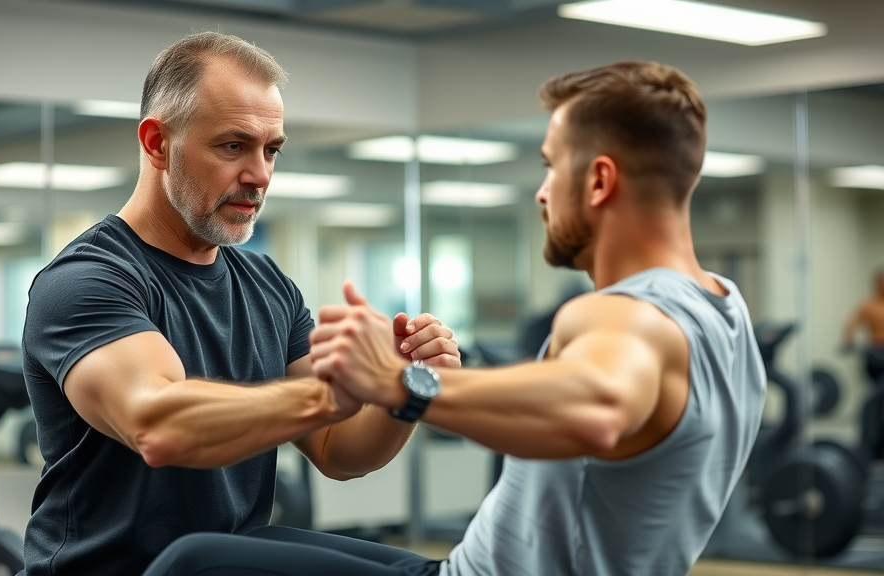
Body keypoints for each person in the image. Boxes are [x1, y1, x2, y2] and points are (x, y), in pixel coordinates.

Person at [152, 61, 767, 576]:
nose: (543, 192)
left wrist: (402, 384)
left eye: (553, 165)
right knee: (257, 545)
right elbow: (341, 456)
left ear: (600, 181)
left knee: (192, 563)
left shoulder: (620, 317)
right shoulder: (726, 311)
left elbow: (601, 406)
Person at [20, 32, 460, 576]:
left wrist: (407, 388)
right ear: (158, 143)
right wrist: (334, 393)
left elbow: (337, 452)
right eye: (233, 146)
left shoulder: (266, 284)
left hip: (225, 561)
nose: (260, 175)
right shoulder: (88, 280)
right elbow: (157, 422)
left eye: (271, 149)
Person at [842, 270, 884, 383]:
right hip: (875, 353)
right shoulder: (868, 306)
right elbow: (851, 324)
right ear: (877, 284)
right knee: (877, 390)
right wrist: (849, 342)